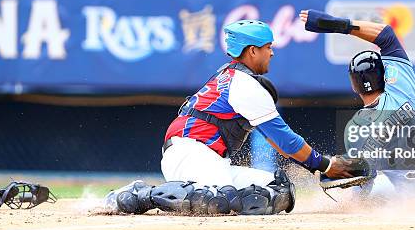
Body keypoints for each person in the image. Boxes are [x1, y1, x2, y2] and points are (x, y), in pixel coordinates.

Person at [104, 20, 358, 216]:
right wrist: (323, 165)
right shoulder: (244, 83)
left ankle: (193, 190)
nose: (272, 53)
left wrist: (317, 168)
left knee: (277, 191)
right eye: (267, 48)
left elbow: (279, 143)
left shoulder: (231, 76)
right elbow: (284, 139)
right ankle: (141, 194)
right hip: (190, 153)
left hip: (208, 158)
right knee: (220, 201)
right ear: (251, 51)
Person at [299, 9, 415, 197]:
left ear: (354, 87)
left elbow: (362, 183)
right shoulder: (402, 85)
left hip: (414, 199)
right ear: (384, 77)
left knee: (374, 185)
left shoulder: (354, 129)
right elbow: (387, 36)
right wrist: (335, 24)